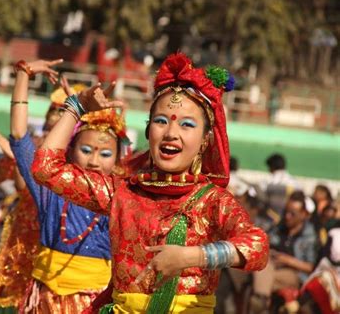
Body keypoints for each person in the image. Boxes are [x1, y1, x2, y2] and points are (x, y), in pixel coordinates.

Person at [32, 53, 269, 313]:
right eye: (160, 121)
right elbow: (45, 168)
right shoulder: (121, 192)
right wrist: (76, 108)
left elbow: (258, 247)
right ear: (148, 132)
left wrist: (192, 256)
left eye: (187, 125)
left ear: (205, 141)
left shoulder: (212, 201)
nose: (170, 133)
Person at [9, 58, 129, 312]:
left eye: (105, 154)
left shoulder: (123, 194)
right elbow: (20, 136)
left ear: (119, 158)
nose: (94, 161)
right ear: (71, 148)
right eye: (86, 150)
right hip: (43, 298)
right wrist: (23, 74)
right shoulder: (50, 188)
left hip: (93, 302)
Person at [0, 85, 84, 313]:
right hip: (25, 229)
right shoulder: (33, 149)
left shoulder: (81, 155)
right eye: (52, 120)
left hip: (57, 233)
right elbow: (3, 181)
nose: (55, 125)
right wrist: (15, 159)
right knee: (15, 290)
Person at [250, 191, 318, 313]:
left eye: (293, 213)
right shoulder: (279, 228)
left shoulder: (310, 237)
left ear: (303, 214)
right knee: (264, 268)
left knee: (261, 273)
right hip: (272, 268)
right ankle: (262, 301)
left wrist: (288, 260)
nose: (287, 216)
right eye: (286, 212)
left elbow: (312, 267)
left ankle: (260, 301)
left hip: (294, 274)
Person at [261, 153, 301, 217]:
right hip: (290, 217)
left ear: (271, 167)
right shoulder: (295, 183)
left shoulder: (268, 181)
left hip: (269, 218)